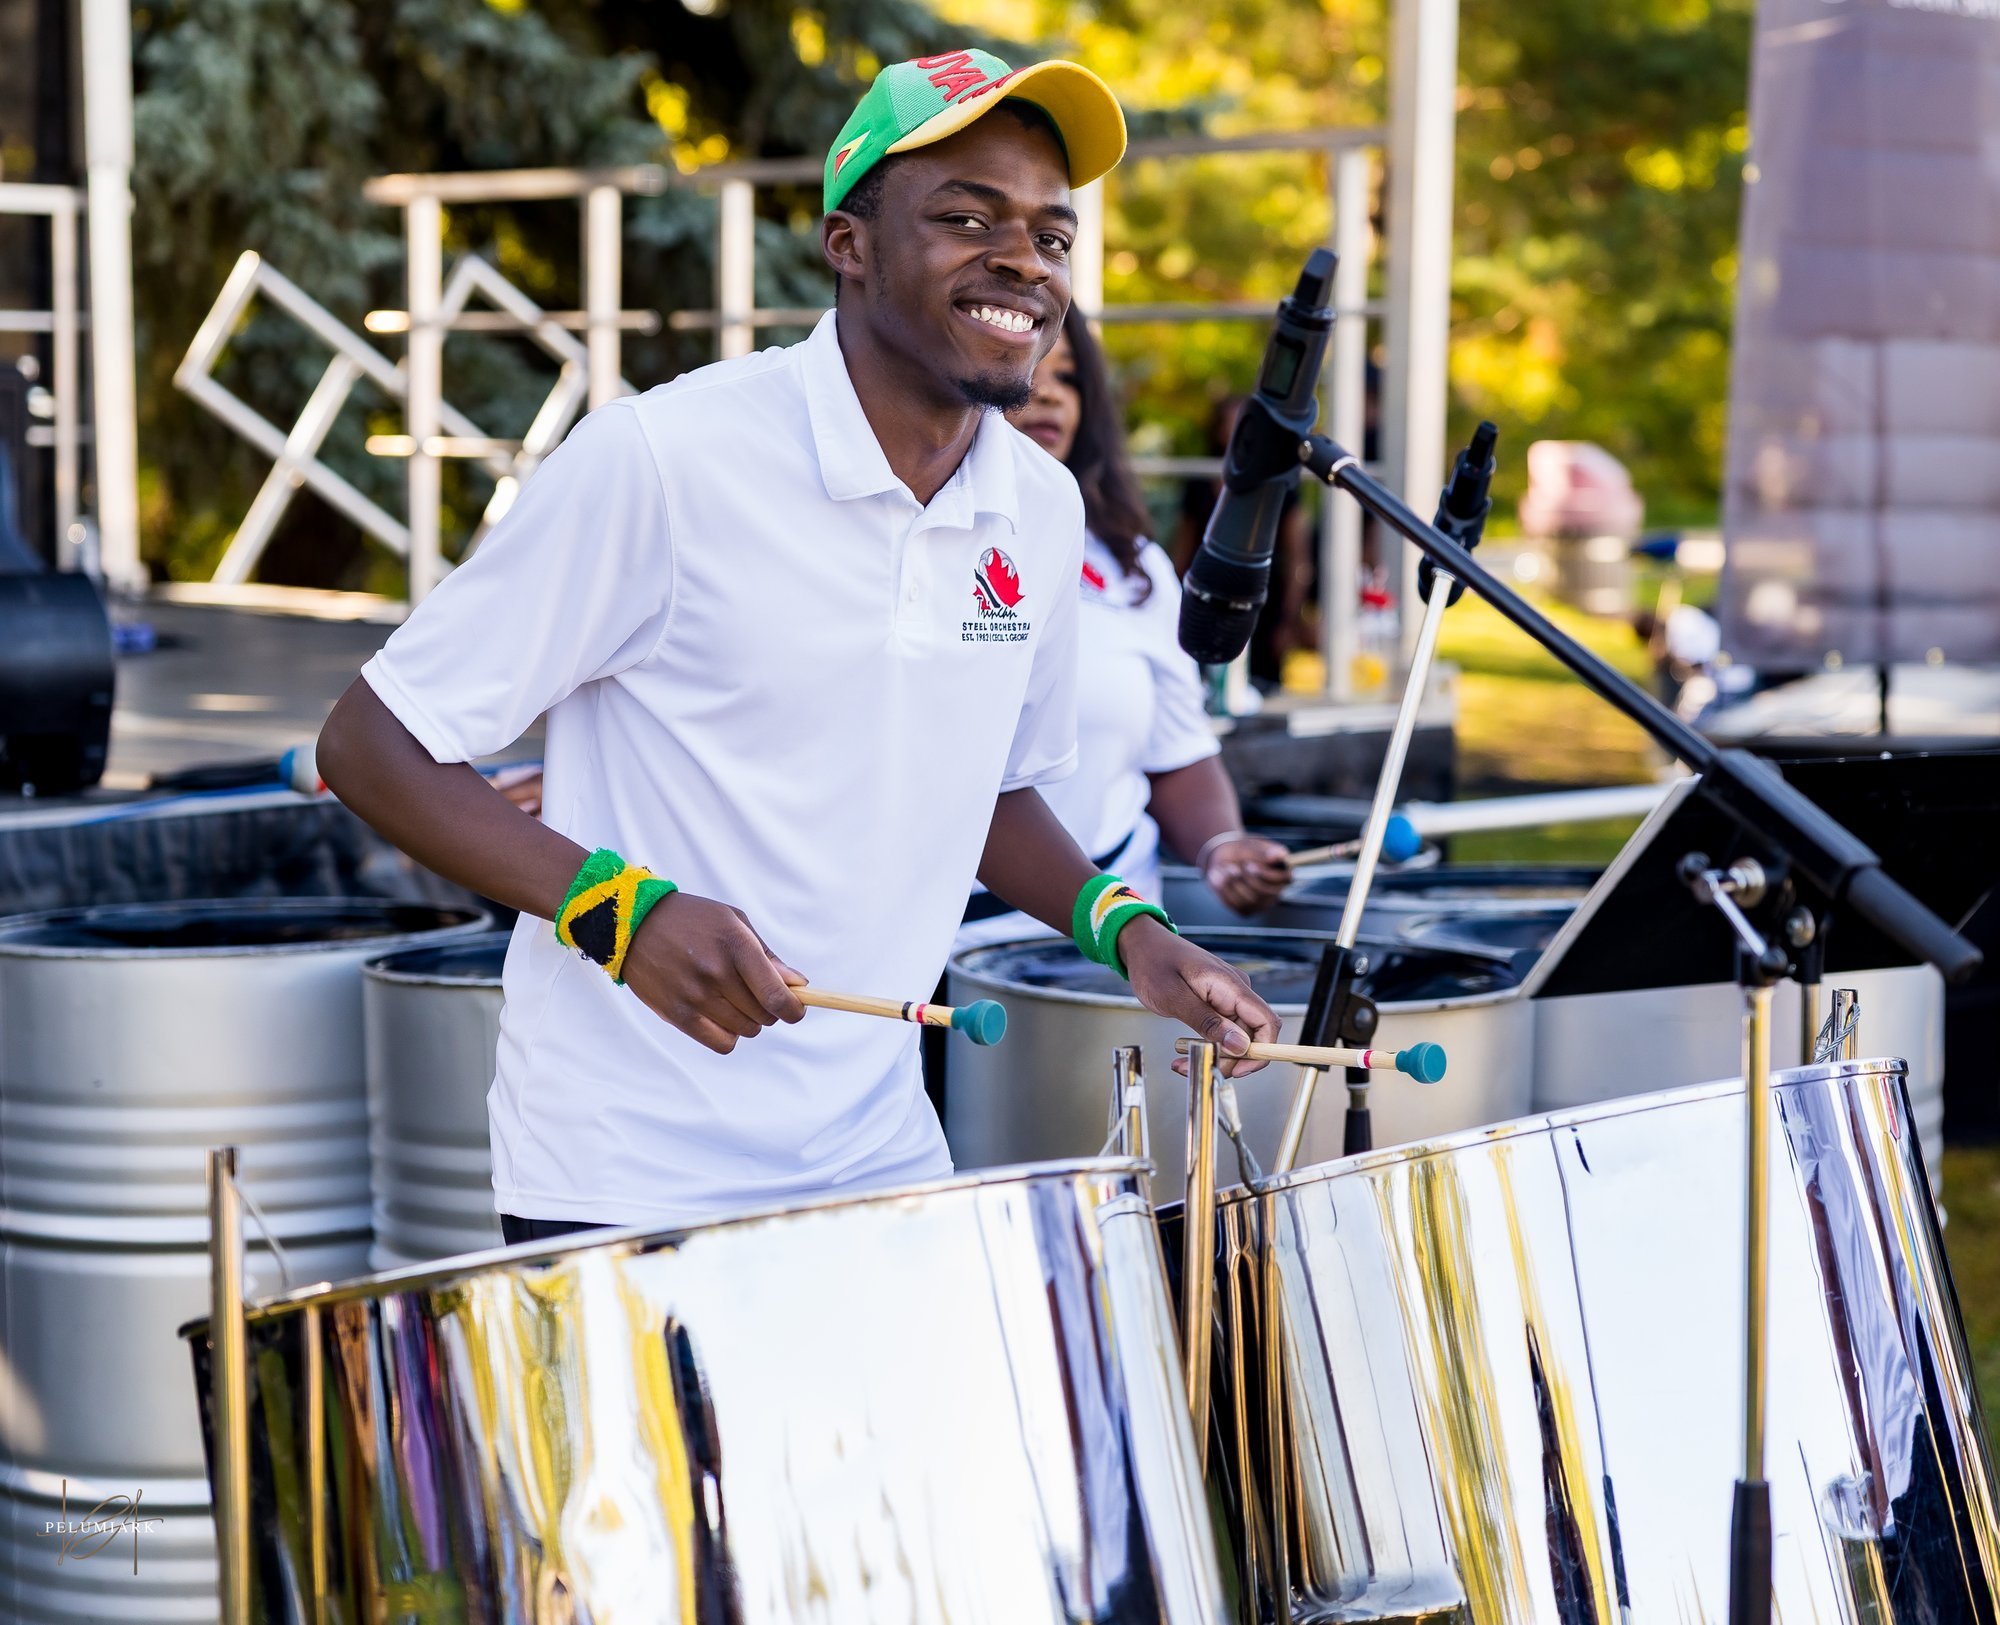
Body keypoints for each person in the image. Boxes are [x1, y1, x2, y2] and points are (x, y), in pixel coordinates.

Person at [314, 49, 1279, 1244]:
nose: (1023, 260)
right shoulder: (664, 460)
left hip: (877, 1149)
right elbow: (371, 742)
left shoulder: (1038, 508)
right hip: (626, 1170)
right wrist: (615, 910)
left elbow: (984, 789)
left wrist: (1126, 931)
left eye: (1049, 233)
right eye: (966, 218)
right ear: (848, 243)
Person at [957, 309, 1292, 949]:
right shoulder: (917, 538)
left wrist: (1222, 846)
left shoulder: (1132, 563)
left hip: (1118, 944)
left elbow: (1176, 751)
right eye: (1026, 370)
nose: (1050, 392)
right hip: (949, 950)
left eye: (1070, 378)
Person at [1170, 394, 1314, 688]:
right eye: (1230, 422)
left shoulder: (1279, 482)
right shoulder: (1200, 479)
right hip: (1207, 598)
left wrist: (1289, 618)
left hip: (1261, 604)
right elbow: (1182, 551)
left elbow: (1298, 557)